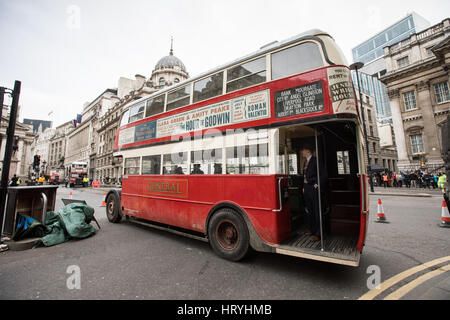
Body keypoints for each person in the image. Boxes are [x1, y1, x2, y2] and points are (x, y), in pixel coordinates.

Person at [301, 143, 328, 242]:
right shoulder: (305, 162)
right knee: (310, 210)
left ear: (308, 151)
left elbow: (323, 175)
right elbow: (305, 176)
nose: (302, 152)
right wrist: (304, 187)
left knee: (317, 211)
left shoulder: (316, 161)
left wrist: (317, 184)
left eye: (303, 150)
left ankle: (318, 233)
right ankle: (312, 229)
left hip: (313, 188)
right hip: (307, 188)